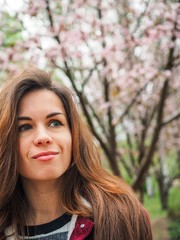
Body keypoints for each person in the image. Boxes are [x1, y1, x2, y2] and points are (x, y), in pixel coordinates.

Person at [0, 67, 152, 240]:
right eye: (25, 127)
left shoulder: (122, 217)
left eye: (55, 123)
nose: (43, 137)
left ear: (73, 135)